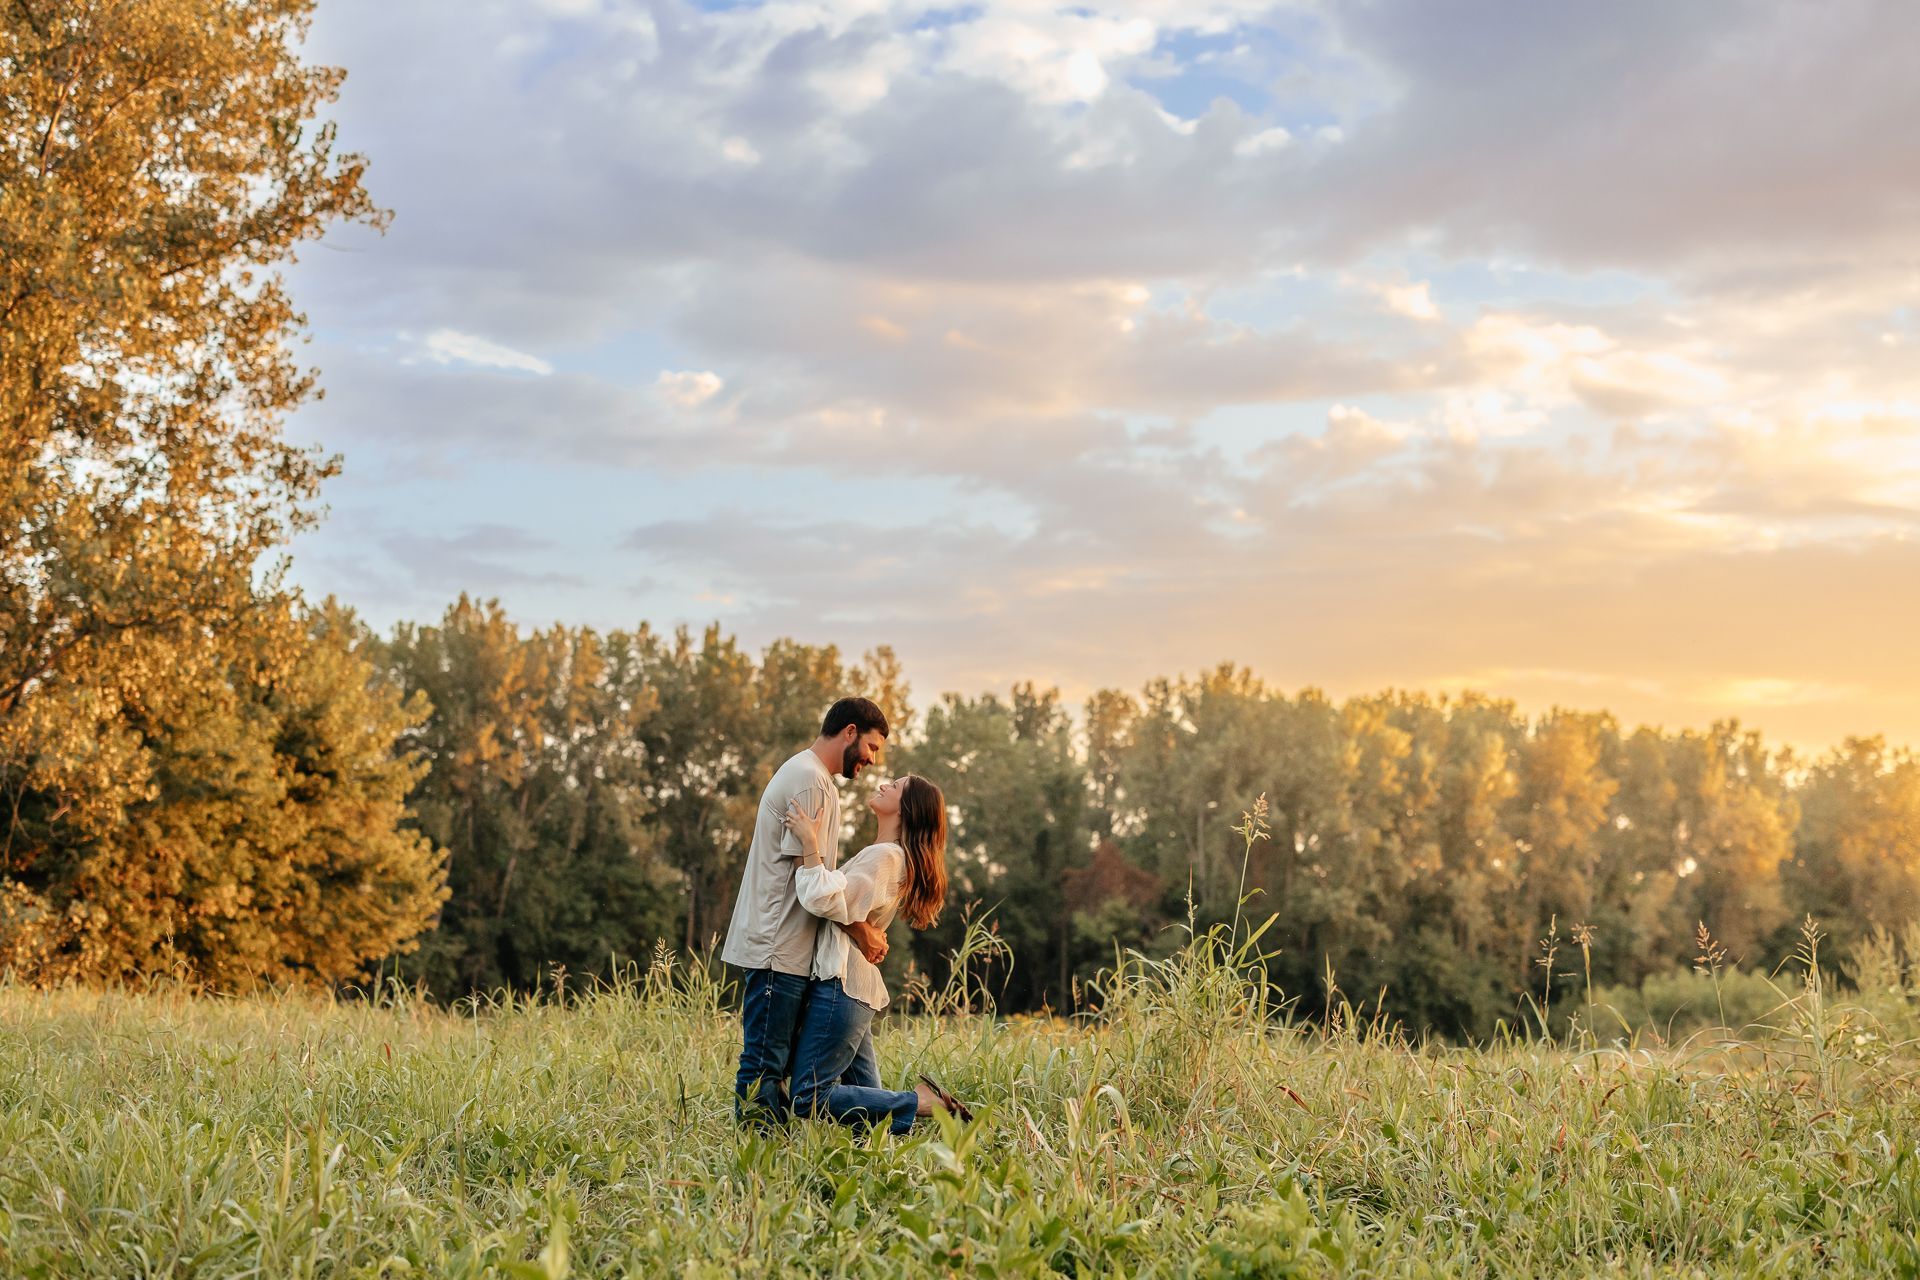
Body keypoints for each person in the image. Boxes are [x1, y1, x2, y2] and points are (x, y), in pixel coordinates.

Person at [720, 698, 892, 1125]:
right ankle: (755, 1171)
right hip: (780, 946)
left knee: (773, 1066)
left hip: (787, 947)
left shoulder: (811, 777)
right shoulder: (810, 783)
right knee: (763, 1066)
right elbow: (812, 883)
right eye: (871, 747)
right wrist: (860, 930)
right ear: (849, 732)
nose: (871, 760)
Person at [784, 773, 964, 1134]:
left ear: (906, 809)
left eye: (894, 787)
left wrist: (809, 843)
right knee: (871, 1123)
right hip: (855, 989)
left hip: (842, 986)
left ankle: (920, 1103)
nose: (884, 785)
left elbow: (824, 899)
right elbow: (846, 909)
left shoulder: (885, 857)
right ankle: (888, 1173)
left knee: (808, 1096)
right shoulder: (885, 856)